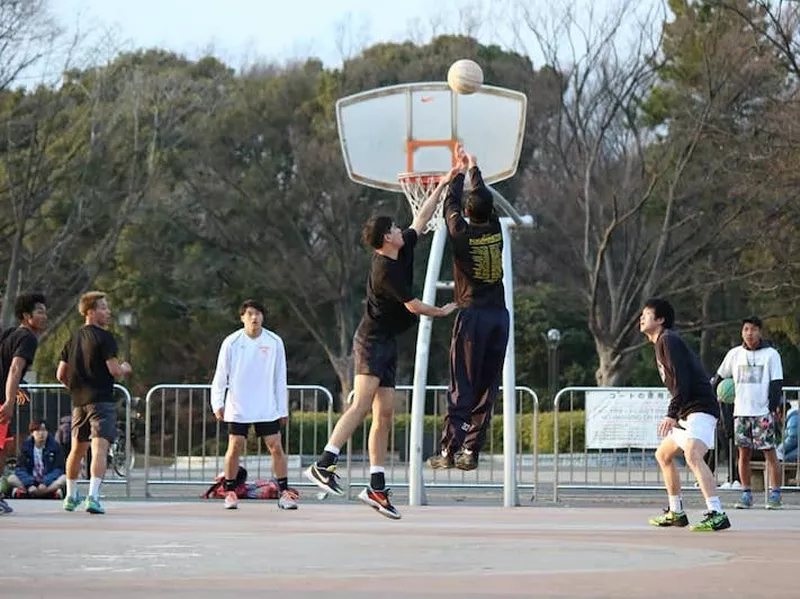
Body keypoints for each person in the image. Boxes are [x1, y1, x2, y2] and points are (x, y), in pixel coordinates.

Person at [304, 171, 459, 519]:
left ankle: (376, 487)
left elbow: (421, 218)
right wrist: (443, 310)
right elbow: (415, 306)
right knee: (361, 404)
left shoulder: (401, 246)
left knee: (385, 413)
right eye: (392, 229)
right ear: (384, 240)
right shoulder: (383, 272)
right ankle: (323, 464)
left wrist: (444, 182)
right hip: (371, 342)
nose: (397, 230)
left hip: (387, 342)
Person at [428, 145, 509, 471]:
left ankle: (449, 451)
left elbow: (450, 204)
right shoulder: (496, 228)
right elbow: (477, 201)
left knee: (462, 384)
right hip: (499, 318)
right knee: (487, 387)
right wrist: (474, 168)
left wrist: (455, 174)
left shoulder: (461, 233)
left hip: (473, 316)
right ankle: (471, 451)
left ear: (467, 212)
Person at [640, 298, 730, 532]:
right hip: (687, 411)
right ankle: (676, 512)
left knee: (692, 454)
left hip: (699, 407)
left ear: (660, 319)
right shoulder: (661, 343)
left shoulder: (668, 339)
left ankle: (717, 513)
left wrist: (671, 413)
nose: (642, 318)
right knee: (663, 455)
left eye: (647, 314)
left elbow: (683, 380)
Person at [210, 299, 298, 511]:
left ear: (262, 317)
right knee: (235, 446)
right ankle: (230, 491)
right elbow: (221, 376)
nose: (254, 317)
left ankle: (284, 491)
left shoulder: (274, 341)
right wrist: (217, 403)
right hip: (238, 405)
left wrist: (282, 409)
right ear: (242, 317)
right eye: (249, 313)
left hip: (266, 405)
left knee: (276, 447)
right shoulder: (231, 342)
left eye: (257, 313)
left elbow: (280, 377)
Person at [56, 291, 132, 515]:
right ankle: (93, 496)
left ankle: (70, 496)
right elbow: (114, 370)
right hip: (101, 400)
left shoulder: (72, 338)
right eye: (103, 308)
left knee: (76, 450)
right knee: (99, 448)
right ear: (90, 312)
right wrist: (126, 368)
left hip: (79, 402)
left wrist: (75, 388)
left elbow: (61, 373)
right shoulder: (104, 337)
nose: (108, 312)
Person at [713, 317, 784, 509]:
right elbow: (720, 377)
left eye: (753, 329)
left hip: (762, 412)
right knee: (743, 455)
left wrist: (772, 408)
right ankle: (746, 494)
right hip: (741, 412)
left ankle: (775, 494)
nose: (749, 333)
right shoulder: (734, 354)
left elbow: (777, 383)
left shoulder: (771, 355)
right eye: (745, 329)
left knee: (770, 453)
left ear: (760, 332)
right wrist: (713, 393)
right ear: (741, 332)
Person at [0, 292, 48, 515]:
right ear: (27, 316)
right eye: (39, 312)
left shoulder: (11, 333)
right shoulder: (27, 338)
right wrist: (9, 400)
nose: (44, 316)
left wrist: (15, 390)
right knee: (1, 449)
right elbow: (14, 368)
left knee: (5, 447)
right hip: (1, 399)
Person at [6, 420, 66, 498]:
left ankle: (32, 493)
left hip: (48, 482)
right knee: (11, 478)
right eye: (37, 430)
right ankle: (46, 493)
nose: (41, 433)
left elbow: (58, 469)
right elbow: (20, 469)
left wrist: (45, 482)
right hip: (30, 481)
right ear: (32, 433)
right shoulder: (25, 447)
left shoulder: (55, 447)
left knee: (64, 478)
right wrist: (30, 484)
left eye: (44, 430)